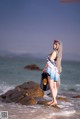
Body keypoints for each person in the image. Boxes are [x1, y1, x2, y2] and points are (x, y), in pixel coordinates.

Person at [43, 40, 62, 106]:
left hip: (51, 70)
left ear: (57, 46)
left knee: (51, 86)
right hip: (56, 71)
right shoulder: (59, 53)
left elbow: (49, 61)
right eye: (53, 44)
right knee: (54, 86)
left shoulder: (54, 52)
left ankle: (54, 100)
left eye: (55, 44)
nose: (53, 45)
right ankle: (53, 100)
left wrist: (44, 68)